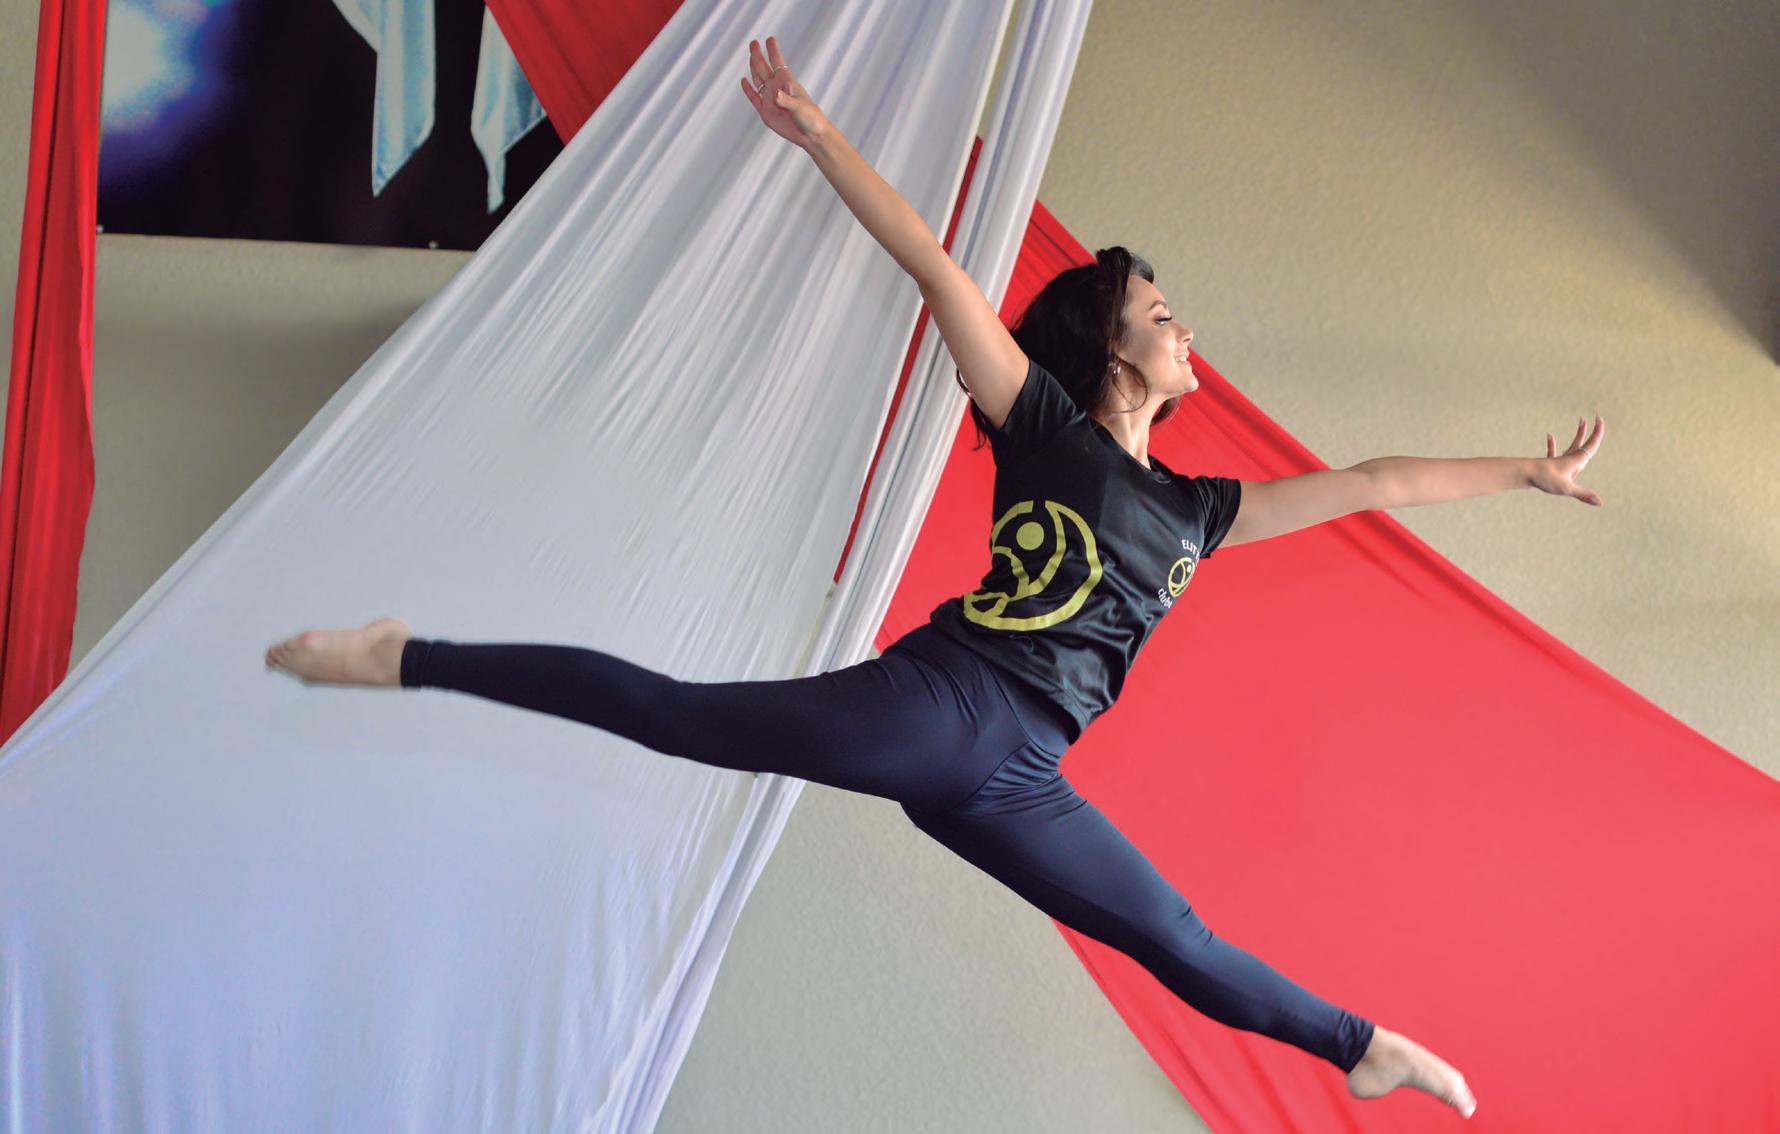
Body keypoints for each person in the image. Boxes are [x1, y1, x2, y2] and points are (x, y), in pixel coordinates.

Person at [266, 34, 1611, 1119]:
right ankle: (405, 653)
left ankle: (1360, 1045)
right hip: (949, 704)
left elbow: (1375, 481)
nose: (1184, 328)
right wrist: (819, 136)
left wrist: (1525, 473)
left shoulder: (1201, 508)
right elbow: (933, 265)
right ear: (1113, 345)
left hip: (1021, 772)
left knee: (1176, 936)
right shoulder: (1044, 424)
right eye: (1162, 314)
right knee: (680, 715)